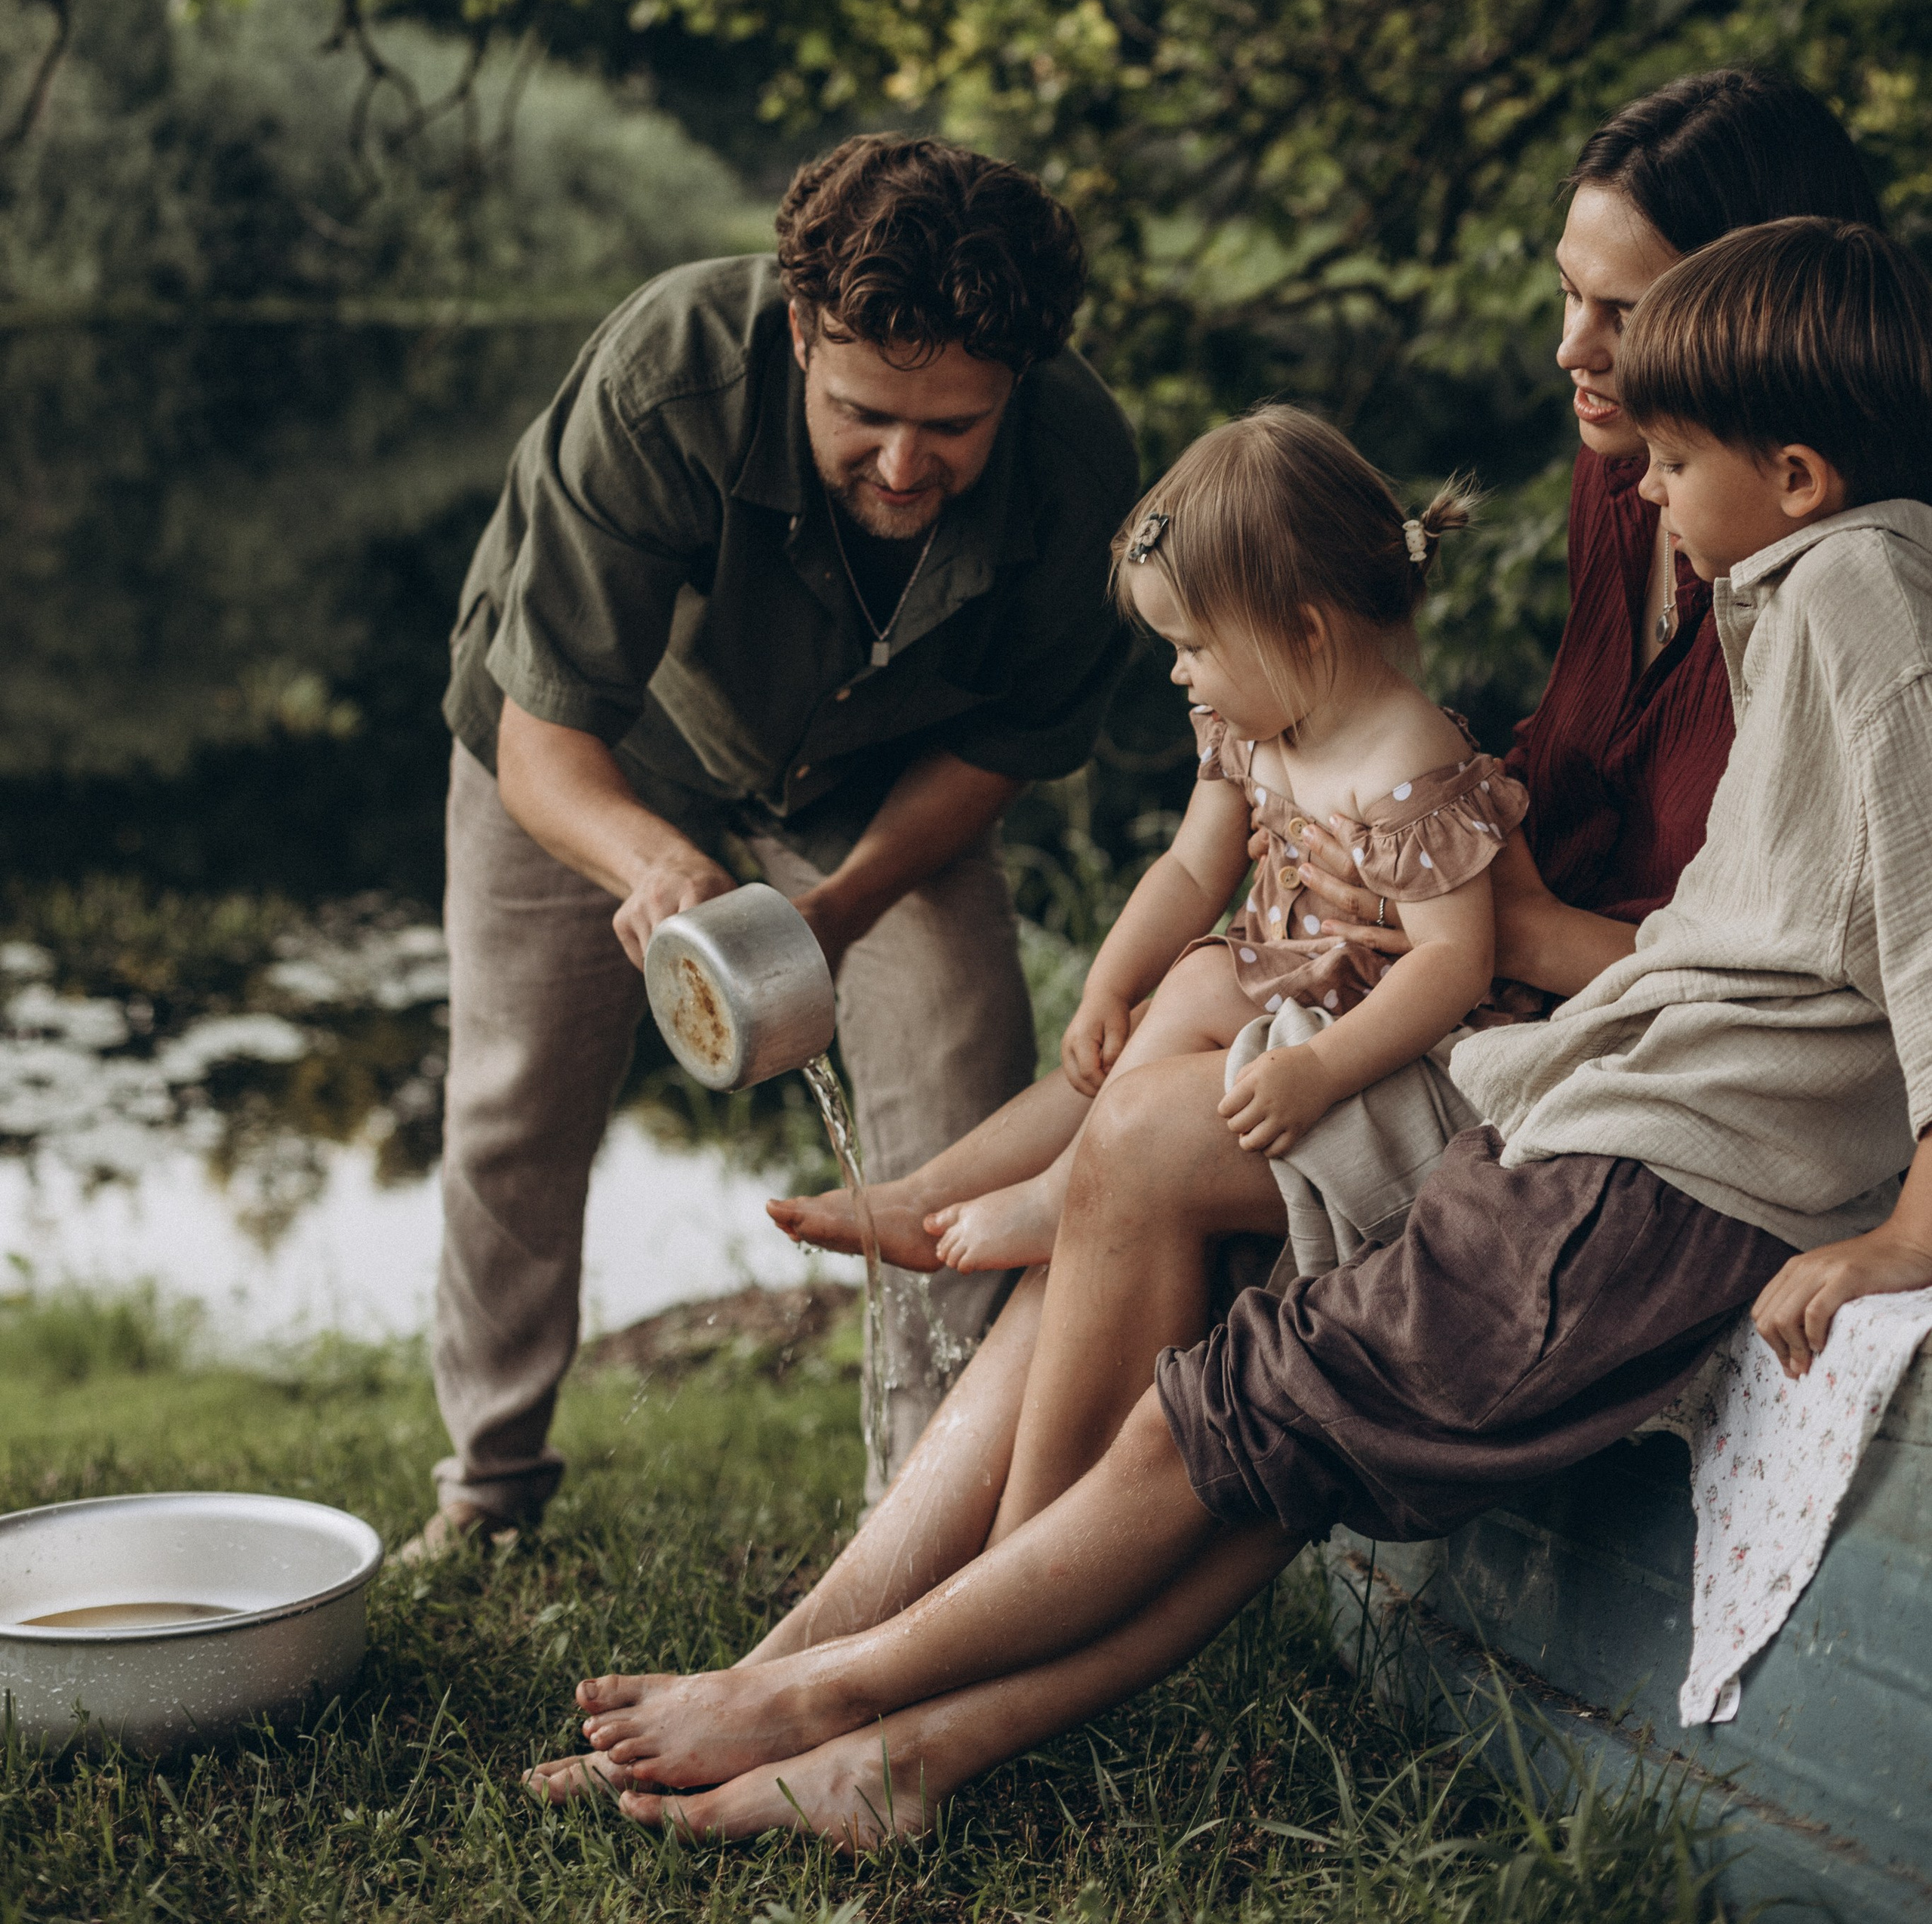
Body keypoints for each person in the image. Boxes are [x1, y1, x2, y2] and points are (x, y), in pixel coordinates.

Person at [530, 213, 1932, 1843]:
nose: (1638, 488)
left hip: (1667, 1158)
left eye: (1674, 459)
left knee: (1249, 1410)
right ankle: (890, 1750)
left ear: (1797, 470)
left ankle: (829, 1696)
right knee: (1256, 1421)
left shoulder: (1859, 596)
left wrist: (1904, 1224)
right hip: (1608, 1102)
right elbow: (1757, 937)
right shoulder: (1807, 587)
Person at [769, 66, 1885, 1287]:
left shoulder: (1839, 598)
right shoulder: (1626, 482)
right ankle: (943, 1216)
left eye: (1621, 312)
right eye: (1567, 294)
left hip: (1613, 1061)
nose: (1573, 347)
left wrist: (1468, 892)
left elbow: (1779, 974)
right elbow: (1547, 799)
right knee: (1176, 1028)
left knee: (1151, 1144)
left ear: (1746, 315)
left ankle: (993, 1226)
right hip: (1470, 976)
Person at [420, 134, 1140, 1548]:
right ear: (805, 328)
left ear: (1022, 384)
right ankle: (489, 1491)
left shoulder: (1077, 459)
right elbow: (538, 741)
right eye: (868, 411)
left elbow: (1007, 740)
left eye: (954, 428)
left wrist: (851, 900)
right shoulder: (668, 374)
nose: (904, 460)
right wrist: (657, 866)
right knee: (514, 1100)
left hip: (878, 787)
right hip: (605, 753)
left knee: (966, 1103)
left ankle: (919, 1515)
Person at [915, 409, 1521, 1279]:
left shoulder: (1407, 763)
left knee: (1202, 978)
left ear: (1301, 632)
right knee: (1186, 980)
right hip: (1292, 990)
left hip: (1388, 1032)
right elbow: (1193, 866)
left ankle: (1060, 1193)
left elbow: (1452, 964)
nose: (1177, 672)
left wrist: (1314, 1069)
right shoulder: (1254, 726)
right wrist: (1109, 982)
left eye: (1192, 646)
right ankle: (1050, 1185)